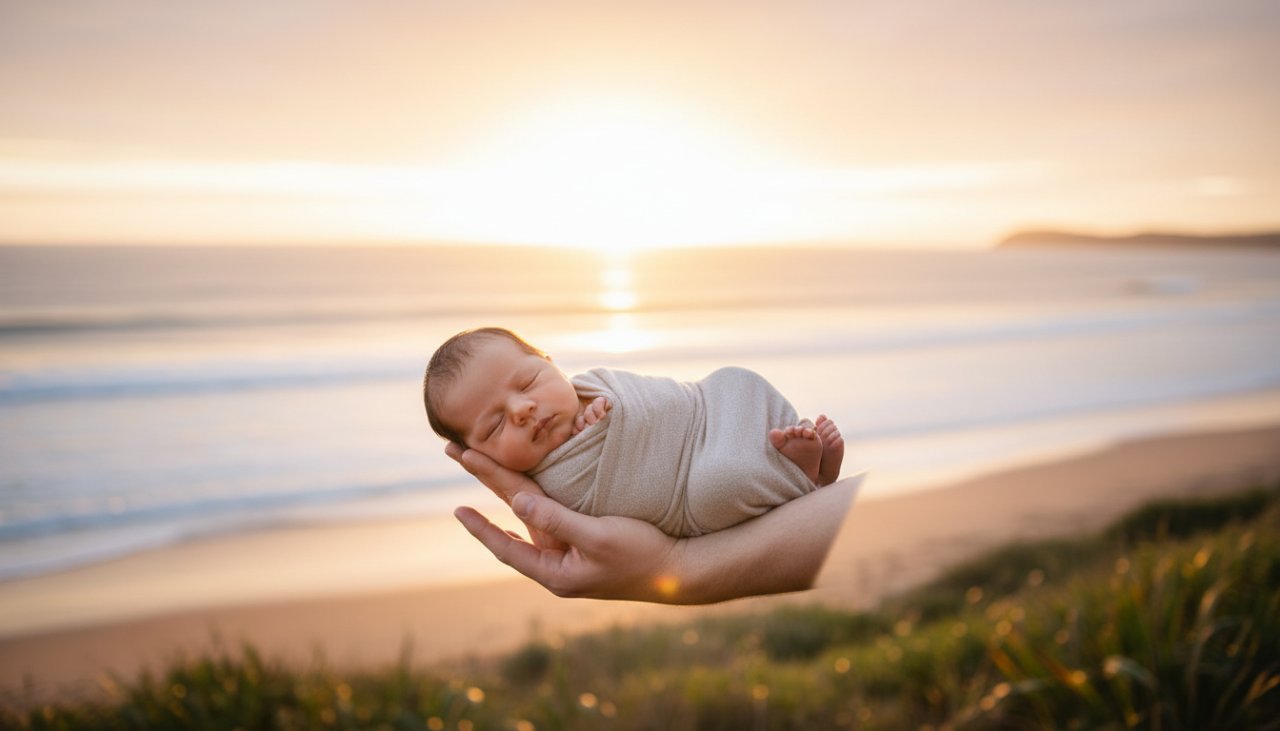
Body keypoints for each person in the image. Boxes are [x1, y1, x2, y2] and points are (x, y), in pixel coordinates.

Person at [423, 327, 844, 538]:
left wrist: (603, 410)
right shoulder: (542, 490)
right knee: (721, 485)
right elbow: (599, 504)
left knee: (734, 379)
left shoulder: (593, 384)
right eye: (495, 425)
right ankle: (805, 476)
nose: (521, 410)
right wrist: (594, 437)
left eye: (529, 382)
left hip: (705, 413)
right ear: (480, 456)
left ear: (550, 361)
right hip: (688, 489)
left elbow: (657, 400)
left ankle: (786, 461)